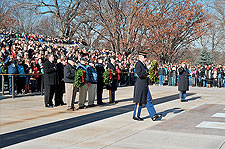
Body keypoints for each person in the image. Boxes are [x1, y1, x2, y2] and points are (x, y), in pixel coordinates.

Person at [133, 51, 162, 121]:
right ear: (140, 57)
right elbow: (140, 74)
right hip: (140, 84)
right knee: (139, 101)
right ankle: (136, 115)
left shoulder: (143, 64)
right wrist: (147, 74)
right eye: (144, 57)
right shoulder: (138, 64)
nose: (145, 58)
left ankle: (153, 115)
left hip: (144, 84)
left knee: (148, 100)